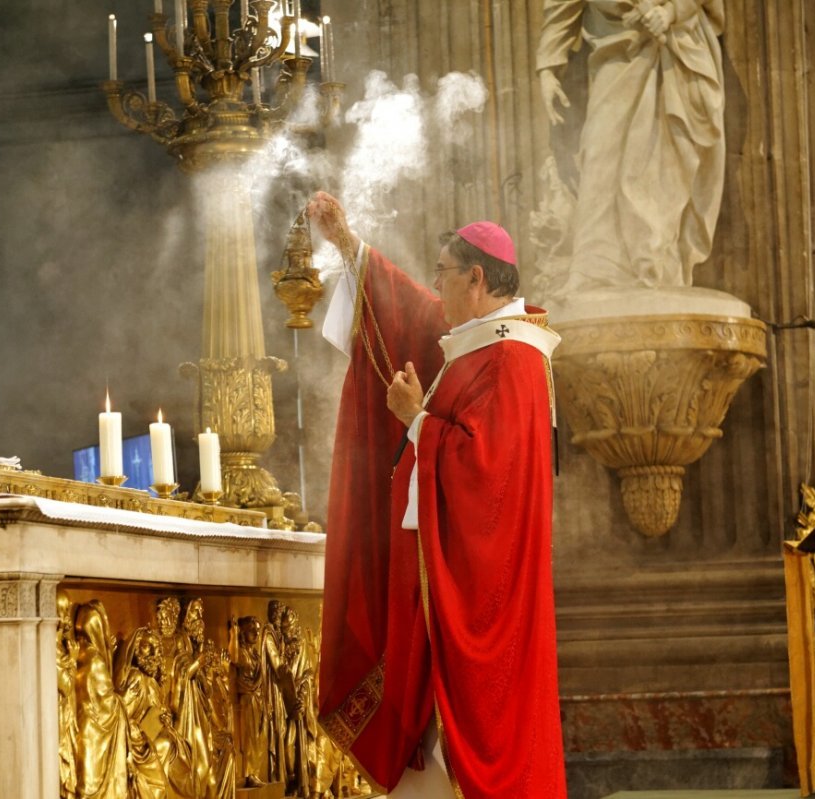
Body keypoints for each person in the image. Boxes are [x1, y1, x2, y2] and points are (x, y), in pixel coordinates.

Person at [307, 191, 566, 798]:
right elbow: (411, 310)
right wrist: (348, 245)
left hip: (479, 600)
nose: (436, 288)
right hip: (450, 593)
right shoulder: (483, 341)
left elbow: (483, 476)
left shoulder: (512, 358)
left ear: (477, 279)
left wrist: (417, 419)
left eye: (444, 275)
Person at [537, 0, 725, 294]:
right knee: (599, 153)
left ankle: (655, 265)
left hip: (676, 53)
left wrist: (671, 11)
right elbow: (563, 6)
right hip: (616, 52)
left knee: (664, 164)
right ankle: (592, 270)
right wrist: (548, 69)